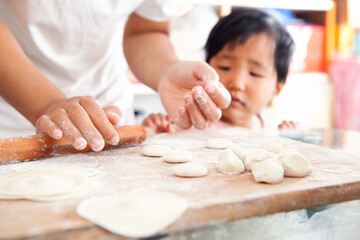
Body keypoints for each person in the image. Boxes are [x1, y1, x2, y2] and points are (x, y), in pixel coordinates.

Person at [0, 0, 231, 151]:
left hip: (110, 119)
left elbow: (145, 30)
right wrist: (46, 103)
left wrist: (165, 70)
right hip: (13, 121)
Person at [142, 8, 296, 135]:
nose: (236, 83)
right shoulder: (191, 124)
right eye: (225, 67)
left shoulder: (270, 130)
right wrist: (159, 133)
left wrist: (289, 135)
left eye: (255, 73)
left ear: (277, 88)